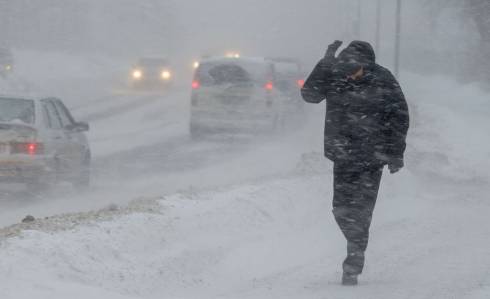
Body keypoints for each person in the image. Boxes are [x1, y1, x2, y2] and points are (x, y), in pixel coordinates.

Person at [301, 40, 409, 285]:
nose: (352, 75)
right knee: (340, 208)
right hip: (343, 154)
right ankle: (356, 242)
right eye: (348, 69)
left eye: (356, 69)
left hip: (373, 157)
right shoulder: (336, 74)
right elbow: (309, 95)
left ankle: (354, 258)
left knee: (362, 210)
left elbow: (399, 117)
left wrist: (396, 153)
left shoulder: (384, 79)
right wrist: (325, 64)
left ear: (367, 65)